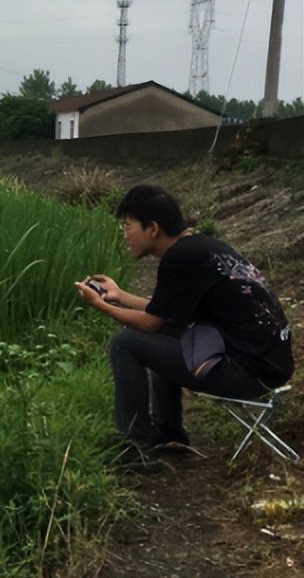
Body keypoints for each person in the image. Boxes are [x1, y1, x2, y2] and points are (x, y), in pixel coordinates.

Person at [75, 184, 294, 463]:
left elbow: (150, 324)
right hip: (269, 363)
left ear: (152, 228)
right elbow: (165, 313)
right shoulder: (199, 248)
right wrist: (118, 296)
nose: (125, 234)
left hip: (248, 372)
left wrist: (102, 305)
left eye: (128, 226)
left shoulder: (181, 258)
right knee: (169, 331)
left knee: (125, 344)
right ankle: (169, 433)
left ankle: (136, 451)